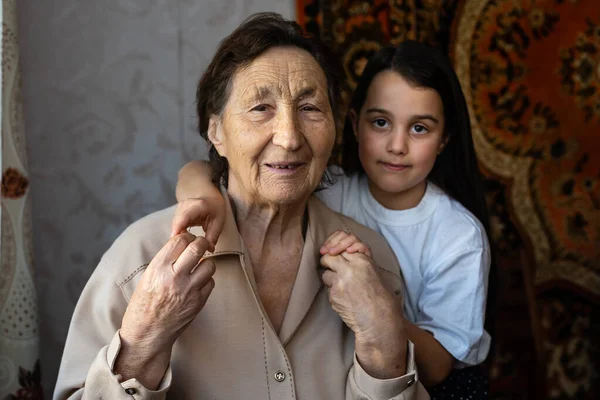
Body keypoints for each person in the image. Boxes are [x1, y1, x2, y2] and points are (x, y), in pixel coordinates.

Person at [54, 13, 429, 400]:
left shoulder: (372, 263)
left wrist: (385, 350)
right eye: (260, 108)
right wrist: (141, 344)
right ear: (215, 131)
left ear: (335, 127)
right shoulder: (142, 259)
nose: (288, 137)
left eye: (310, 108)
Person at [173, 42, 492, 397]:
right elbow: (203, 169)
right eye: (381, 122)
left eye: (420, 128)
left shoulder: (458, 235)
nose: (397, 145)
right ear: (354, 124)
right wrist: (202, 196)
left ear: (444, 138)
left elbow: (437, 367)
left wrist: (376, 309)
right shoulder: (328, 188)